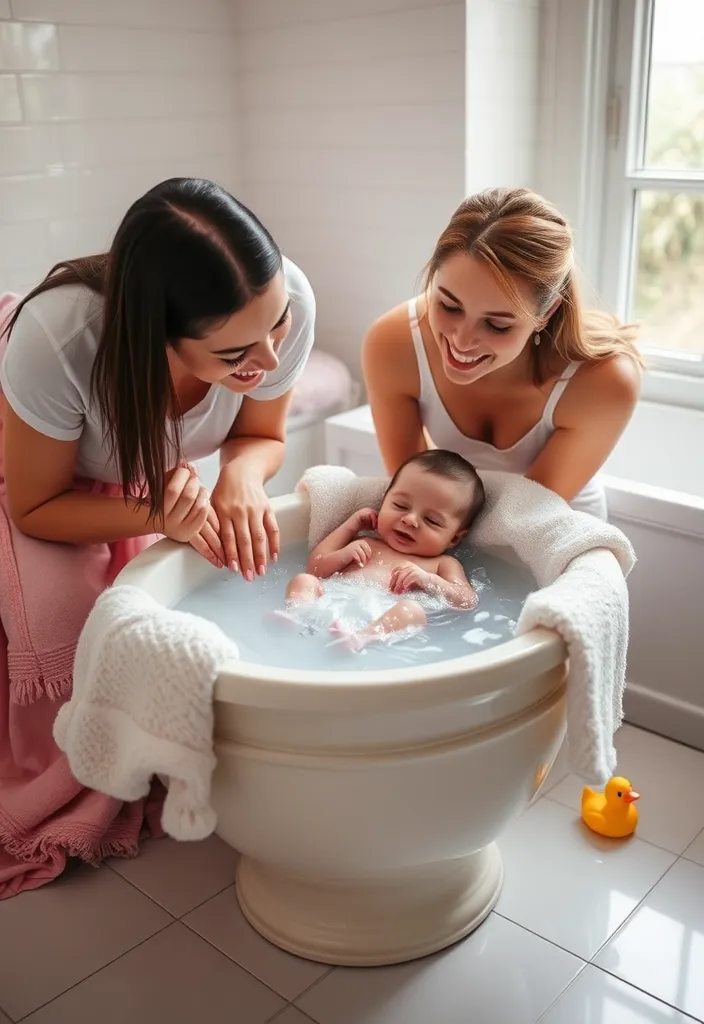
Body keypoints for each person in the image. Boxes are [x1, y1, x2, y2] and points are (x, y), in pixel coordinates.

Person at [0, 177, 315, 897]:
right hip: (28, 465)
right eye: (238, 352)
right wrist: (156, 517)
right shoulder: (64, 341)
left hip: (120, 469)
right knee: (65, 620)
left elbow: (262, 434)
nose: (267, 360)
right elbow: (37, 504)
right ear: (157, 338)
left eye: (277, 328)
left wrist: (240, 476)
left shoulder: (280, 303)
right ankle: (69, 789)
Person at [362, 188, 643, 520]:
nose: (462, 341)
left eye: (496, 325)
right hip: (443, 519)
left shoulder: (604, 380)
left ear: (546, 313)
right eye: (449, 306)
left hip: (556, 523)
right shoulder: (393, 344)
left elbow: (525, 516)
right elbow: (410, 492)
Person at [276, 450, 485, 651]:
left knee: (412, 611)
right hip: (333, 601)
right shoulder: (366, 543)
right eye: (400, 505)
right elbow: (315, 566)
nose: (410, 520)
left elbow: (466, 600)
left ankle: (362, 638)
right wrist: (350, 531)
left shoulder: (441, 564)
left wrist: (429, 581)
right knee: (304, 581)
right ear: (384, 500)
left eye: (431, 520)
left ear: (455, 537)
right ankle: (296, 615)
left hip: (385, 613)